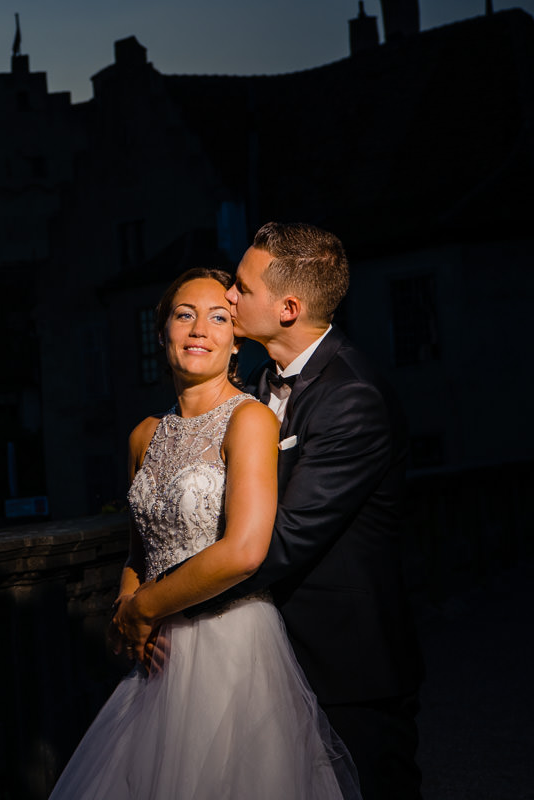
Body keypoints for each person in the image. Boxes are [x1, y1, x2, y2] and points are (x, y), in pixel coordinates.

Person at [119, 223, 424, 799]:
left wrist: (154, 605)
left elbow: (279, 541)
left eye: (240, 287)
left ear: (287, 309)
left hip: (343, 659)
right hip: (260, 651)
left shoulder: (352, 397)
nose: (229, 296)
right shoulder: (256, 386)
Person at [49, 268, 359, 799]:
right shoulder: (144, 435)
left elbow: (245, 551)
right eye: (184, 315)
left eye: (218, 317)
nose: (199, 329)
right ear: (162, 332)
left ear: (236, 340)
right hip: (157, 658)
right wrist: (127, 600)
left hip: (228, 643)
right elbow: (139, 551)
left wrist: (143, 609)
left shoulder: (250, 420)